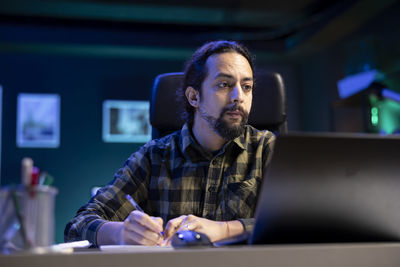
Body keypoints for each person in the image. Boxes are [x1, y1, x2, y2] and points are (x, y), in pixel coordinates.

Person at [64, 40, 275, 246]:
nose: (239, 96)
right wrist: (120, 232)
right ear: (194, 96)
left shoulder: (267, 149)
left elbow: (297, 224)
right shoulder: (154, 156)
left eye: (247, 87)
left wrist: (224, 229)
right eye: (224, 84)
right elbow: (78, 225)